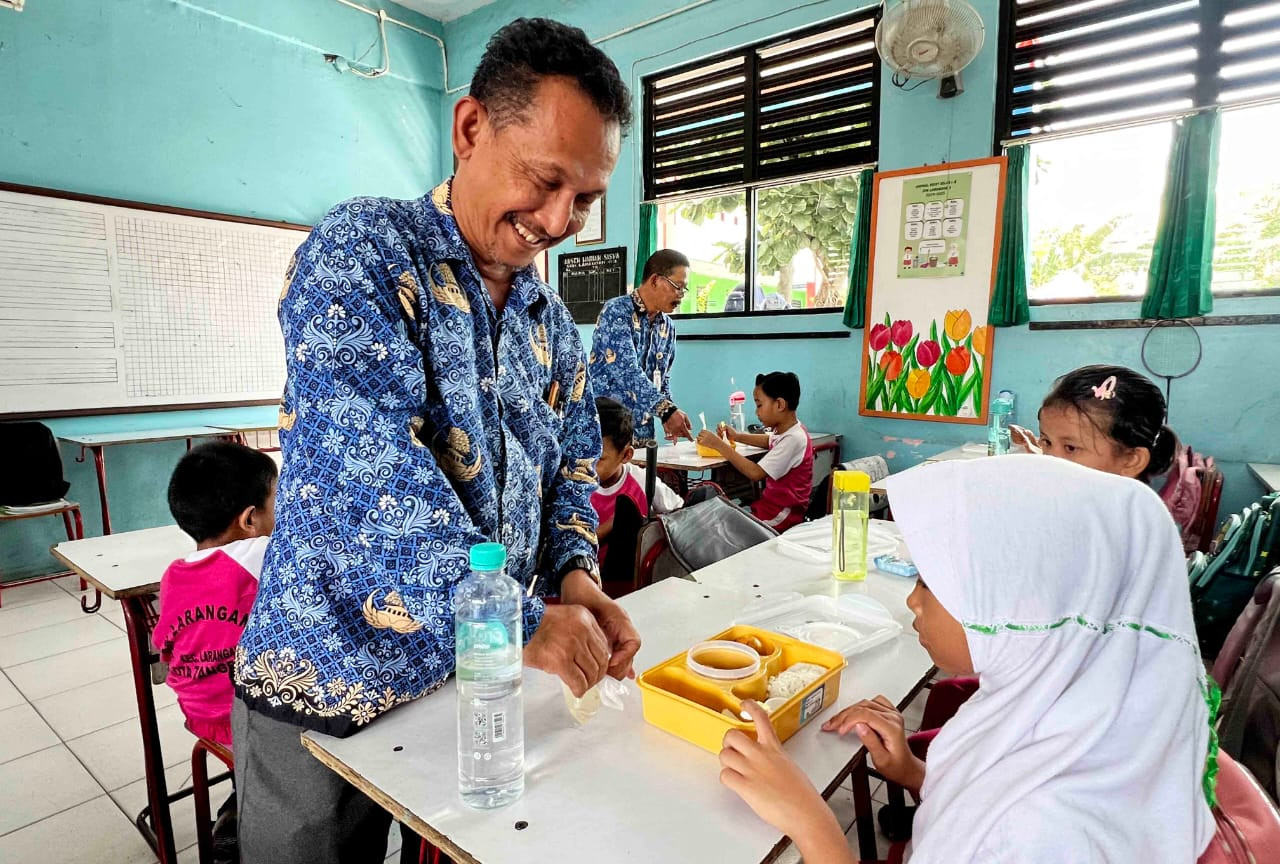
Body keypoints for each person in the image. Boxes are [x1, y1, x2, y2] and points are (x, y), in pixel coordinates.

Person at [231, 18, 641, 863]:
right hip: (331, 671)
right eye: (545, 179)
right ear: (470, 129)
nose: (561, 220)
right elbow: (363, 465)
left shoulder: (550, 323)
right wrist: (527, 622)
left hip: (469, 681)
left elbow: (567, 471)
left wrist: (576, 576)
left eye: (587, 198)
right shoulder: (366, 252)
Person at [719, 456, 1217, 863]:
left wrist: (811, 822)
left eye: (930, 582)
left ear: (1019, 607)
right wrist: (915, 773)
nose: (913, 600)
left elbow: (1008, 828)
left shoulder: (1048, 830)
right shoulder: (1054, 707)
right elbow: (989, 797)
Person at [156, 441, 277, 863]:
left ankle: (236, 807)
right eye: (276, 498)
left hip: (200, 717)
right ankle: (245, 814)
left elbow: (166, 651)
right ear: (250, 519)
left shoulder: (174, 574)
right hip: (250, 722)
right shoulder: (261, 553)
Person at [590, 248, 694, 448]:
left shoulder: (667, 327)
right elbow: (627, 372)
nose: (680, 295)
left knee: (641, 480)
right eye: (677, 287)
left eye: (684, 289)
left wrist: (667, 414)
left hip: (642, 432)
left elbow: (662, 380)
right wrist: (666, 410)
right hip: (606, 431)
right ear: (655, 280)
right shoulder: (617, 311)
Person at [1014, 364, 1178, 483]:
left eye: (1070, 448)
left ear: (1132, 460)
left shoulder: (1123, 524)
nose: (1051, 460)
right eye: (1047, 442)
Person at [696, 371, 812, 533]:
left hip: (781, 516)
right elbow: (769, 441)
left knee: (719, 526)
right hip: (768, 507)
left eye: (759, 405)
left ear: (779, 405)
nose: (757, 412)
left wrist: (720, 445)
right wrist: (737, 436)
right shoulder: (789, 431)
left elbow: (755, 473)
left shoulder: (794, 439)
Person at [591, 397, 647, 592]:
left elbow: (678, 511)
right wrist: (610, 527)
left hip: (626, 585)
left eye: (598, 459)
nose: (587, 465)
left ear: (626, 455)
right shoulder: (573, 483)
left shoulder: (641, 482)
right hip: (583, 584)